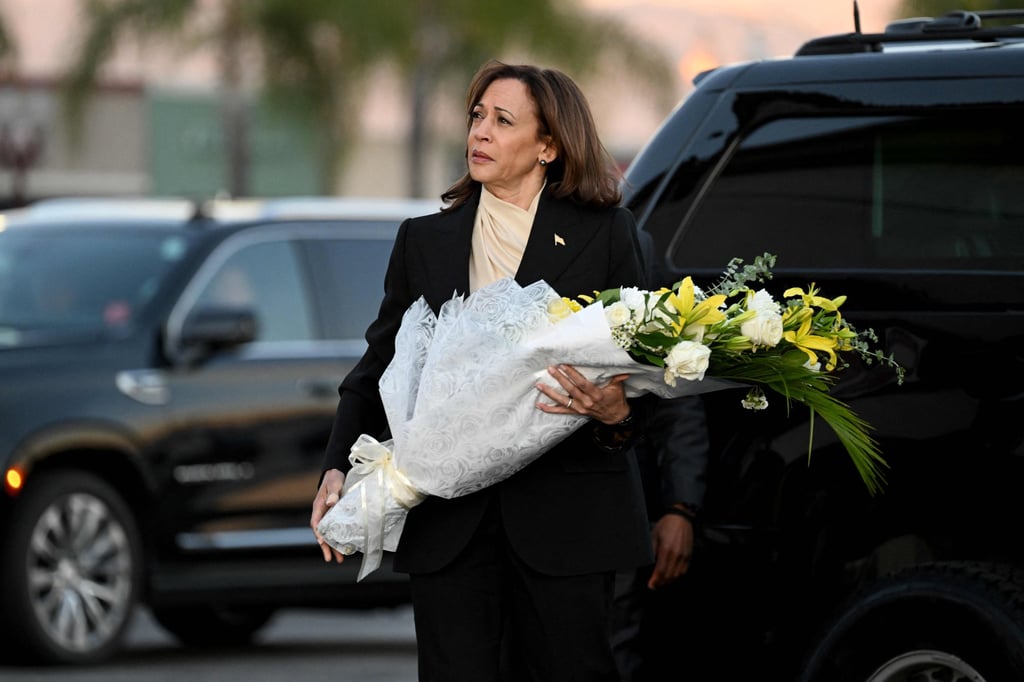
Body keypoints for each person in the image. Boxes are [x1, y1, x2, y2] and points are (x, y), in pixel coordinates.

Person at [310, 60, 653, 681]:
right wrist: (337, 465)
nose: (481, 132)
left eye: (502, 120)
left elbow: (646, 370)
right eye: (476, 117)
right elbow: (380, 362)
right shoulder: (425, 240)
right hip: (451, 528)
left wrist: (618, 412)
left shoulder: (605, 235)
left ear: (548, 145)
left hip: (567, 525)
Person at [611, 393, 710, 681]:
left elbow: (679, 406)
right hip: (511, 507)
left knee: (613, 646)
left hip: (621, 508)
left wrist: (681, 509)